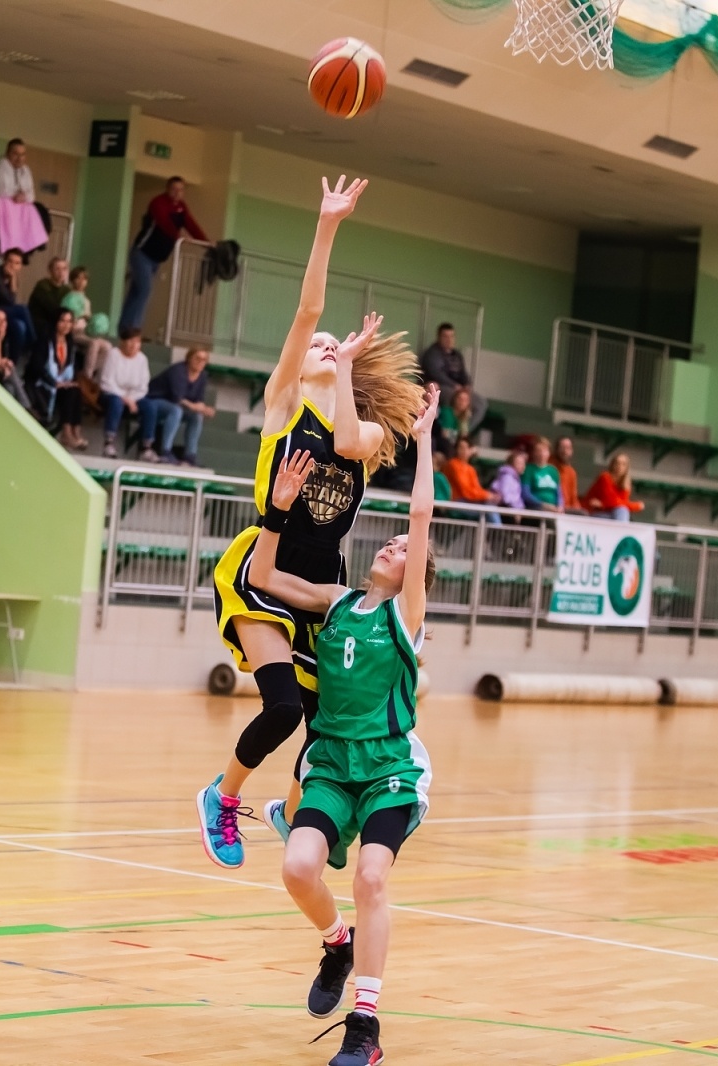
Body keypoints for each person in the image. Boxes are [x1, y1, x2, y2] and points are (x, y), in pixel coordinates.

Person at [201, 174, 425, 872]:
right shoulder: (283, 407)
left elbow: (355, 438)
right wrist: (328, 225)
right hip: (260, 570)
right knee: (280, 709)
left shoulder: (358, 445)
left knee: (324, 721)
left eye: (336, 346)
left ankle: (293, 810)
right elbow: (307, 311)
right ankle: (223, 796)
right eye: (318, 348)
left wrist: (351, 366)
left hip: (319, 584)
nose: (324, 344)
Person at [253, 387, 439, 1066]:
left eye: (402, 549)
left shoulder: (405, 616)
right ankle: (337, 943)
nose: (393, 546)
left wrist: (423, 443)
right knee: (298, 868)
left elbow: (419, 516)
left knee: (371, 877)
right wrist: (278, 505)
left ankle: (366, 1026)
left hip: (388, 768)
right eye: (388, 543)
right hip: (332, 763)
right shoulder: (337, 603)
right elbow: (266, 572)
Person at [120, 176, 208, 333]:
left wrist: (206, 243)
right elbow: (163, 222)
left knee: (136, 291)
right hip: (142, 253)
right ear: (167, 189)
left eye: (180, 190)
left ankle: (124, 327)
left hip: (157, 259)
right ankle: (134, 328)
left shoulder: (182, 207)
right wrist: (178, 236)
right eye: (174, 189)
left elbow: (191, 225)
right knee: (145, 289)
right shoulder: (158, 202)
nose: (177, 193)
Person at [139, 348, 215, 466]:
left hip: (175, 405)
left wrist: (205, 409)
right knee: (176, 410)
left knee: (196, 416)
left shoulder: (203, 376)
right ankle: (166, 450)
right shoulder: (178, 371)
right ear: (189, 358)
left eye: (204, 360)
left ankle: (190, 455)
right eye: (197, 358)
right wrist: (196, 407)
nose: (201, 362)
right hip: (153, 401)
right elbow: (177, 398)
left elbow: (199, 400)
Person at [34, 308, 86, 450]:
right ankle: (66, 433)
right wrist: (55, 383)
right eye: (62, 320)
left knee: (75, 390)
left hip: (62, 386)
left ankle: (76, 432)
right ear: (55, 322)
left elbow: (71, 369)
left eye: (69, 321)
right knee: (70, 392)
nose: (66, 325)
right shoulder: (45, 342)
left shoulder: (70, 344)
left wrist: (68, 382)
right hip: (44, 385)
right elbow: (36, 368)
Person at [420, 324, 485, 436]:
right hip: (443, 386)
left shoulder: (457, 355)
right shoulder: (432, 354)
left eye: (451, 336)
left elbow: (463, 373)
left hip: (459, 388)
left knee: (481, 403)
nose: (449, 339)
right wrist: (454, 385)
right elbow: (436, 373)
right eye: (445, 336)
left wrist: (467, 385)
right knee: (453, 396)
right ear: (439, 337)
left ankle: (463, 433)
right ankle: (445, 430)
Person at [97, 327, 150, 458]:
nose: (133, 345)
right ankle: (108, 443)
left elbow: (143, 386)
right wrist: (125, 398)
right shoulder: (113, 354)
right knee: (116, 402)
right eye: (130, 341)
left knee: (151, 407)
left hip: (133, 399)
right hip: (110, 394)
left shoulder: (142, 359)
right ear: (122, 342)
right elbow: (106, 382)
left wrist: (131, 399)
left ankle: (146, 448)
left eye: (137, 341)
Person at [0, 248, 39, 353]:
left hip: (2, 312)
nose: (12, 266)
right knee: (22, 309)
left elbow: (10, 302)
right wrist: (13, 279)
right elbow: (10, 301)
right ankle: (35, 344)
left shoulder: (11, 278)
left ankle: (12, 364)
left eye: (17, 263)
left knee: (20, 326)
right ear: (4, 261)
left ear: (20, 266)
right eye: (10, 261)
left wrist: (13, 279)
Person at [582, 453, 644, 521]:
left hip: (613, 513)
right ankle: (621, 531)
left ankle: (620, 530)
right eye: (617, 463)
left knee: (622, 511)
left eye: (623, 464)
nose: (619, 466)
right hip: (594, 513)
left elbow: (619, 503)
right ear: (612, 465)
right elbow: (611, 500)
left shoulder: (626, 482)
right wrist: (636, 506)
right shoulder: (605, 477)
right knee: (622, 510)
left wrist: (603, 504)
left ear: (627, 468)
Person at [441, 437, 499, 507]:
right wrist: (487, 495)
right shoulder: (453, 465)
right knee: (488, 507)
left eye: (467, 448)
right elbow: (466, 491)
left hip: (469, 501)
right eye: (461, 447)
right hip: (456, 502)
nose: (464, 450)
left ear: (471, 450)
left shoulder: (471, 469)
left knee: (490, 504)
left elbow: (477, 489)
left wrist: (489, 495)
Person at [28, 257, 71, 337]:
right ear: (50, 271)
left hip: (59, 321)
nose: (61, 272)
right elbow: (52, 307)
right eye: (57, 269)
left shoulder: (67, 290)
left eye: (64, 269)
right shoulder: (43, 285)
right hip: (41, 321)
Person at [491, 448, 539, 513]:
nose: (522, 466)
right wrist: (517, 510)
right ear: (511, 464)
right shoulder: (507, 477)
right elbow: (505, 497)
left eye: (523, 463)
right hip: (508, 510)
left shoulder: (515, 478)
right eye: (519, 463)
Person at [523, 437, 563, 511]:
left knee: (581, 513)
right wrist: (543, 504)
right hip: (537, 507)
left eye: (544, 451)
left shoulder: (553, 470)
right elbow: (526, 494)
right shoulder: (528, 469)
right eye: (538, 451)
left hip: (554, 508)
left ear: (549, 453)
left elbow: (559, 493)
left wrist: (560, 506)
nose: (542, 454)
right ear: (534, 453)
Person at [552, 436, 585, 515]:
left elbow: (573, 497)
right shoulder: (549, 466)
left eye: (568, 448)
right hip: (553, 507)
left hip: (567, 509)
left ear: (572, 451)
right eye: (562, 447)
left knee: (583, 514)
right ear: (556, 449)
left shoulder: (571, 472)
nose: (565, 451)